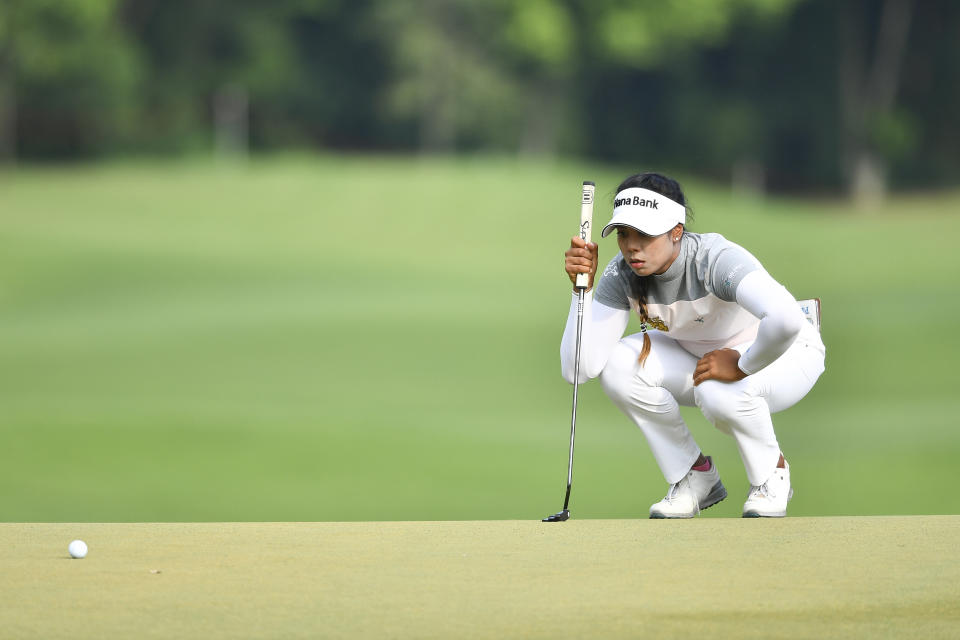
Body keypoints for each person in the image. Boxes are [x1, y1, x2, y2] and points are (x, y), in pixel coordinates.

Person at [561, 172, 825, 518]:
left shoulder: (714, 259)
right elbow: (579, 369)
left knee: (716, 390)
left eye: (645, 234)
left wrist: (742, 366)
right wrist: (582, 289)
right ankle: (694, 477)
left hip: (786, 353)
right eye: (624, 234)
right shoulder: (621, 273)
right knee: (618, 367)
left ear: (676, 232)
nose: (632, 246)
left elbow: (787, 321)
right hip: (705, 361)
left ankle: (771, 474)